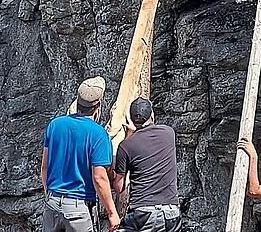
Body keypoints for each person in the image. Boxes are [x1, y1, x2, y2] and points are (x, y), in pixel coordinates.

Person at [42, 77, 120, 232]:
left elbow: (44, 168)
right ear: (99, 105)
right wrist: (112, 213)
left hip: (52, 203)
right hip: (77, 207)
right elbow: (99, 177)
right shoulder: (98, 134)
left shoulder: (55, 125)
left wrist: (50, 195)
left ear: (77, 101)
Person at [112, 97, 181, 232]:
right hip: (171, 212)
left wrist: (128, 137)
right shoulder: (169, 133)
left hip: (143, 213)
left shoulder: (126, 146)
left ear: (131, 120)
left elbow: (118, 187)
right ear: (152, 115)